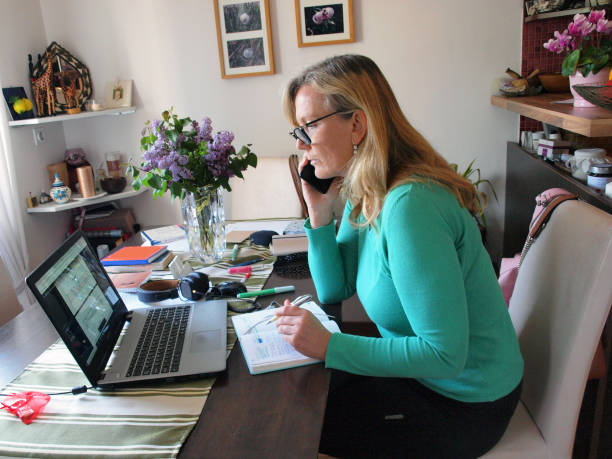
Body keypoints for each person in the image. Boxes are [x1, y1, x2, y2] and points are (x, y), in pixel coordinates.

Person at [273, 54, 524, 458]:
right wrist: (319, 213)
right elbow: (335, 286)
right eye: (297, 131)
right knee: (293, 406)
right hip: (421, 378)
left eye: (310, 126)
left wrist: (329, 346)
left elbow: (444, 355)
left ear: (356, 123)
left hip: (465, 402)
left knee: (294, 434)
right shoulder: (369, 189)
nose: (301, 145)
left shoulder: (411, 205)